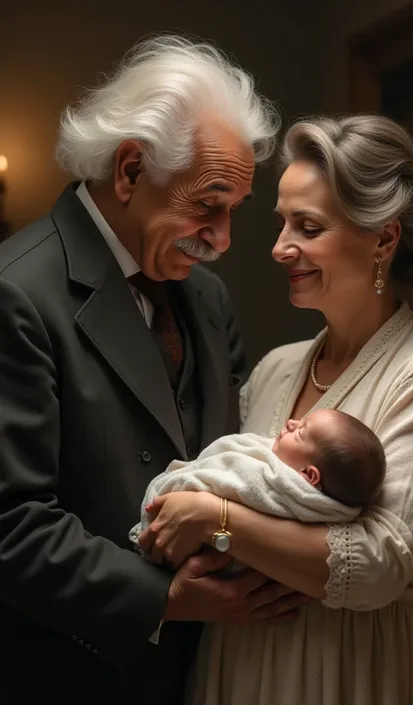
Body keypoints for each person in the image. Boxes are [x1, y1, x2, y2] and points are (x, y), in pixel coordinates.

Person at [0, 34, 309, 698]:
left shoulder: (207, 295)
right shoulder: (17, 292)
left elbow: (233, 456)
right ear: (131, 169)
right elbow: (11, 523)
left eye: (233, 211)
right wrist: (165, 595)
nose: (223, 240)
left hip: (205, 673)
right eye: (207, 204)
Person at [140, 114, 413, 705]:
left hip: (360, 669)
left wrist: (212, 517)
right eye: (281, 223)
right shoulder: (275, 368)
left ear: (384, 239)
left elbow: (375, 566)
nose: (278, 248)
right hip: (240, 661)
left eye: (308, 226)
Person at [130, 409, 386, 552]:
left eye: (300, 432)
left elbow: (226, 476)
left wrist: (183, 486)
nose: (291, 423)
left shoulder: (274, 484)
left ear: (308, 476)